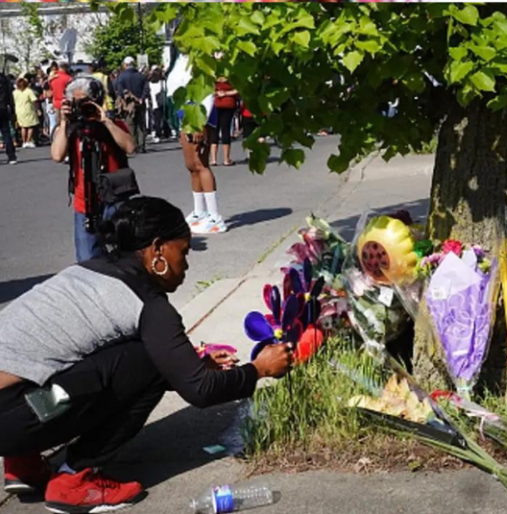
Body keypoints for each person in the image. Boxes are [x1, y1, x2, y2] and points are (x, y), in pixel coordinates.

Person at [0, 197, 294, 514]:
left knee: (111, 359)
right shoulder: (148, 304)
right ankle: (74, 478)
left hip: (18, 406)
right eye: (183, 252)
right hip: (18, 416)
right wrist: (259, 369)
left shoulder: (87, 271)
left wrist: (188, 364)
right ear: (157, 250)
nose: (186, 264)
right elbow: (201, 390)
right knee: (150, 363)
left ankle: (23, 462)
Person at [51, 76, 136, 262]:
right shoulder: (71, 128)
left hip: (115, 197)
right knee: (87, 259)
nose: (82, 107)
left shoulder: (111, 123)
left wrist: (105, 121)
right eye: (77, 102)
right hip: (85, 202)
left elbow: (130, 147)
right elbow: (57, 156)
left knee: (123, 256)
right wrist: (64, 122)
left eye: (86, 101)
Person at [179, 95, 228, 234]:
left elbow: (207, 95)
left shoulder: (198, 73)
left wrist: (200, 124)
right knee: (191, 166)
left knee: (201, 165)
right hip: (185, 118)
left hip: (200, 118)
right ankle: (199, 212)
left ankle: (215, 216)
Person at [114, 57, 149, 153]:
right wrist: (142, 98)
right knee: (141, 124)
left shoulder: (121, 76)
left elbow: (118, 89)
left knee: (130, 124)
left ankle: (133, 145)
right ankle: (142, 146)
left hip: (128, 104)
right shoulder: (140, 76)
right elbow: (146, 89)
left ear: (125, 65)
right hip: (140, 103)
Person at [210, 77, 239, 167]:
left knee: (214, 130)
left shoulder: (213, 76)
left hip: (216, 104)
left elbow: (209, 90)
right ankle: (226, 159)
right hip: (228, 104)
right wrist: (226, 93)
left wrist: (217, 93)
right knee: (225, 130)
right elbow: (238, 90)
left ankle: (213, 159)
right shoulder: (231, 77)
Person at [13, 77, 39, 149]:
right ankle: (28, 141)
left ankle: (24, 142)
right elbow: (34, 100)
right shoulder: (28, 91)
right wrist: (37, 109)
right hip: (28, 109)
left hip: (19, 111)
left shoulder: (15, 92)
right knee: (30, 126)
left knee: (23, 127)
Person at [49, 62, 72, 133]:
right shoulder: (68, 78)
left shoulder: (52, 78)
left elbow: (51, 90)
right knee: (66, 122)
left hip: (56, 102)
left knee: (58, 123)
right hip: (66, 103)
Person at [0, 69, 17, 165]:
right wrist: (12, 108)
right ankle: (11, 156)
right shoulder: (5, 80)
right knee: (6, 132)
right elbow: (10, 96)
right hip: (3, 107)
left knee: (6, 131)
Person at [148, 67, 167, 142]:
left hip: (153, 103)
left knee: (156, 119)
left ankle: (157, 133)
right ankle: (164, 132)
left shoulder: (149, 84)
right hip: (161, 102)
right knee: (163, 118)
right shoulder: (162, 82)